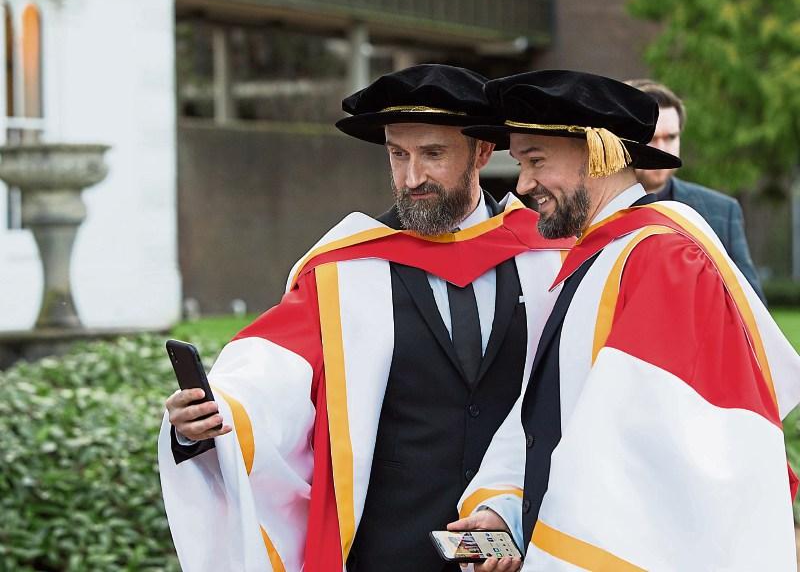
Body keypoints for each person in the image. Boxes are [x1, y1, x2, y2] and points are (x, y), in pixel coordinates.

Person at [158, 64, 573, 572]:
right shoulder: (347, 268)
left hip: (514, 547)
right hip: (388, 550)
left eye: (433, 154)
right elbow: (269, 370)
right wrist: (209, 414)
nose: (411, 177)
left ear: (483, 152)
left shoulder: (550, 257)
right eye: (398, 154)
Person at [450, 70, 800, 571]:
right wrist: (506, 507)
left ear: (599, 156)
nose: (523, 184)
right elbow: (556, 406)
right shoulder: (604, 255)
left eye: (536, 161)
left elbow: (644, 464)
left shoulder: (665, 262)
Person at [626, 78, 765, 302]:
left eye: (670, 137)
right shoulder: (594, 210)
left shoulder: (722, 211)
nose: (662, 149)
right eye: (650, 138)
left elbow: (751, 307)